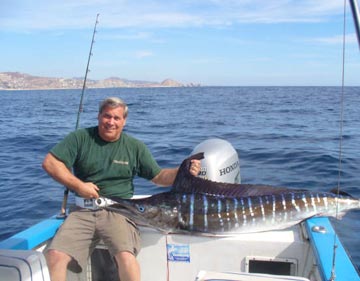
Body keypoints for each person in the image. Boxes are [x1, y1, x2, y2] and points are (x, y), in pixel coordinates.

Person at [42, 96, 201, 281]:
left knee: (126, 257)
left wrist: (182, 171)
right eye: (107, 116)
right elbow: (50, 163)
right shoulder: (80, 138)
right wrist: (79, 185)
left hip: (119, 211)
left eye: (116, 118)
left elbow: (158, 177)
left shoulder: (134, 147)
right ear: (98, 116)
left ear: (124, 121)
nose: (111, 122)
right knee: (55, 256)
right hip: (82, 211)